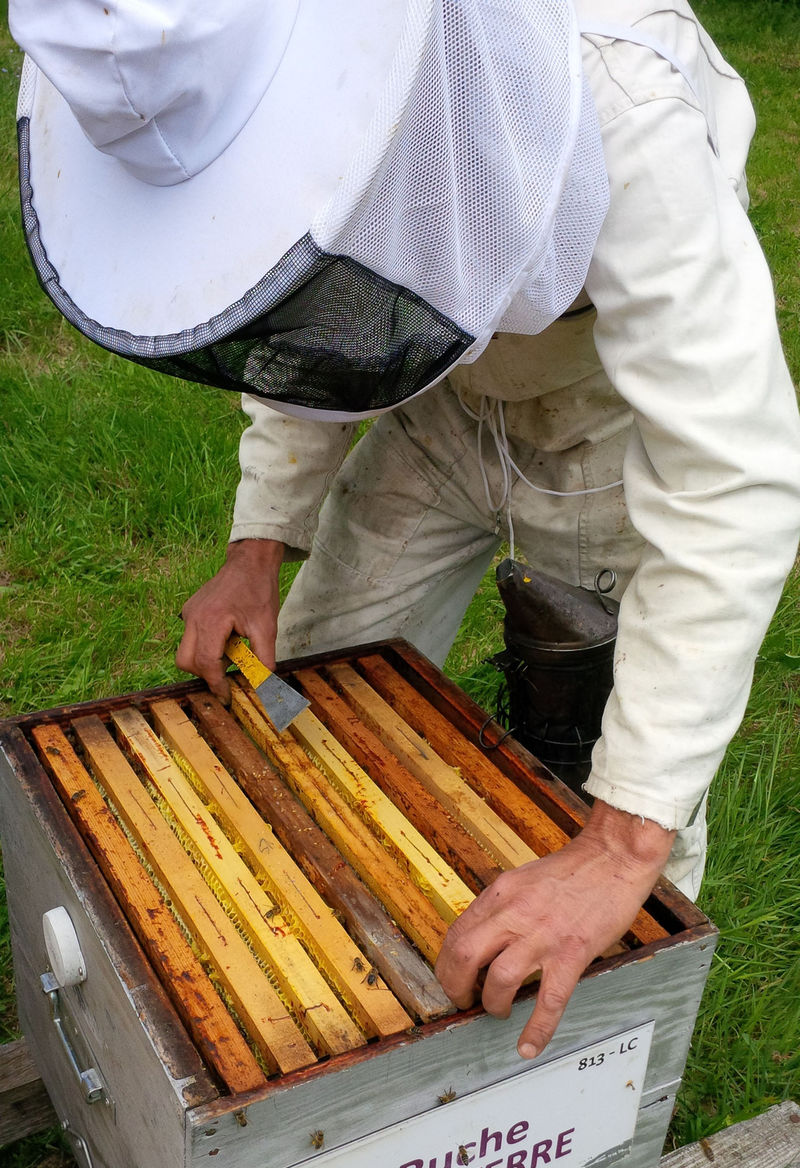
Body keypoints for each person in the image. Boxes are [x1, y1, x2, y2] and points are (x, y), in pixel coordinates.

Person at [12, 0, 800, 1060]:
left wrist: (621, 844)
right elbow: (308, 325)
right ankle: (324, 988)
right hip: (434, 416)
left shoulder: (625, 106)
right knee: (313, 700)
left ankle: (599, 1076)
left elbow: (731, 480)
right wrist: (258, 548)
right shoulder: (300, 71)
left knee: (616, 817)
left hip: (603, 424)